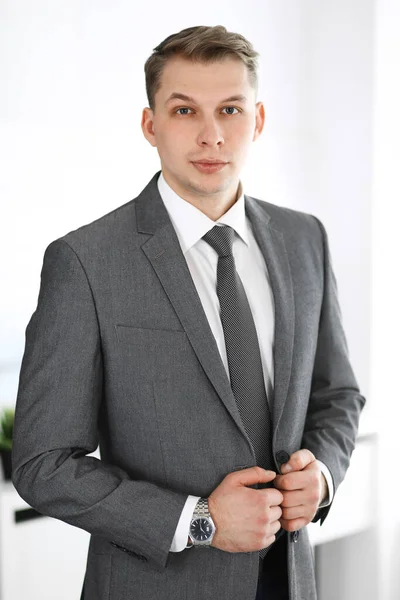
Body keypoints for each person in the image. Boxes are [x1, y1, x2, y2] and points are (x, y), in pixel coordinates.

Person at [11, 25, 365, 600]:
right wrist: (199, 520)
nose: (211, 135)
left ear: (259, 120)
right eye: (184, 111)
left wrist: (321, 476)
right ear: (151, 125)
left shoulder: (305, 240)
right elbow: (43, 463)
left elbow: (337, 395)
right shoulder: (85, 261)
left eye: (230, 109)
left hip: (291, 582)